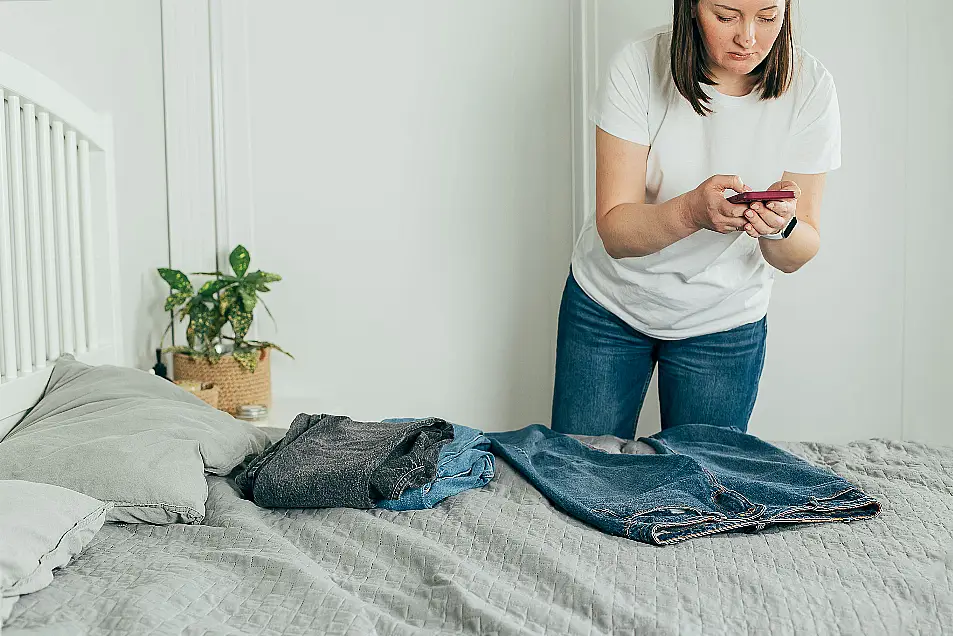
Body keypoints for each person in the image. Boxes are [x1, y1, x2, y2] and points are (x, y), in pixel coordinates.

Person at [551, 0, 840, 439]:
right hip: (608, 308)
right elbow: (615, 230)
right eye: (726, 16)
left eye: (768, 17)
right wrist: (691, 212)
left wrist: (779, 227)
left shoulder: (812, 87)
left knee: (704, 491)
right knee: (580, 474)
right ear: (690, 7)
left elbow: (799, 250)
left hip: (724, 322)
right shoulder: (638, 64)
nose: (748, 36)